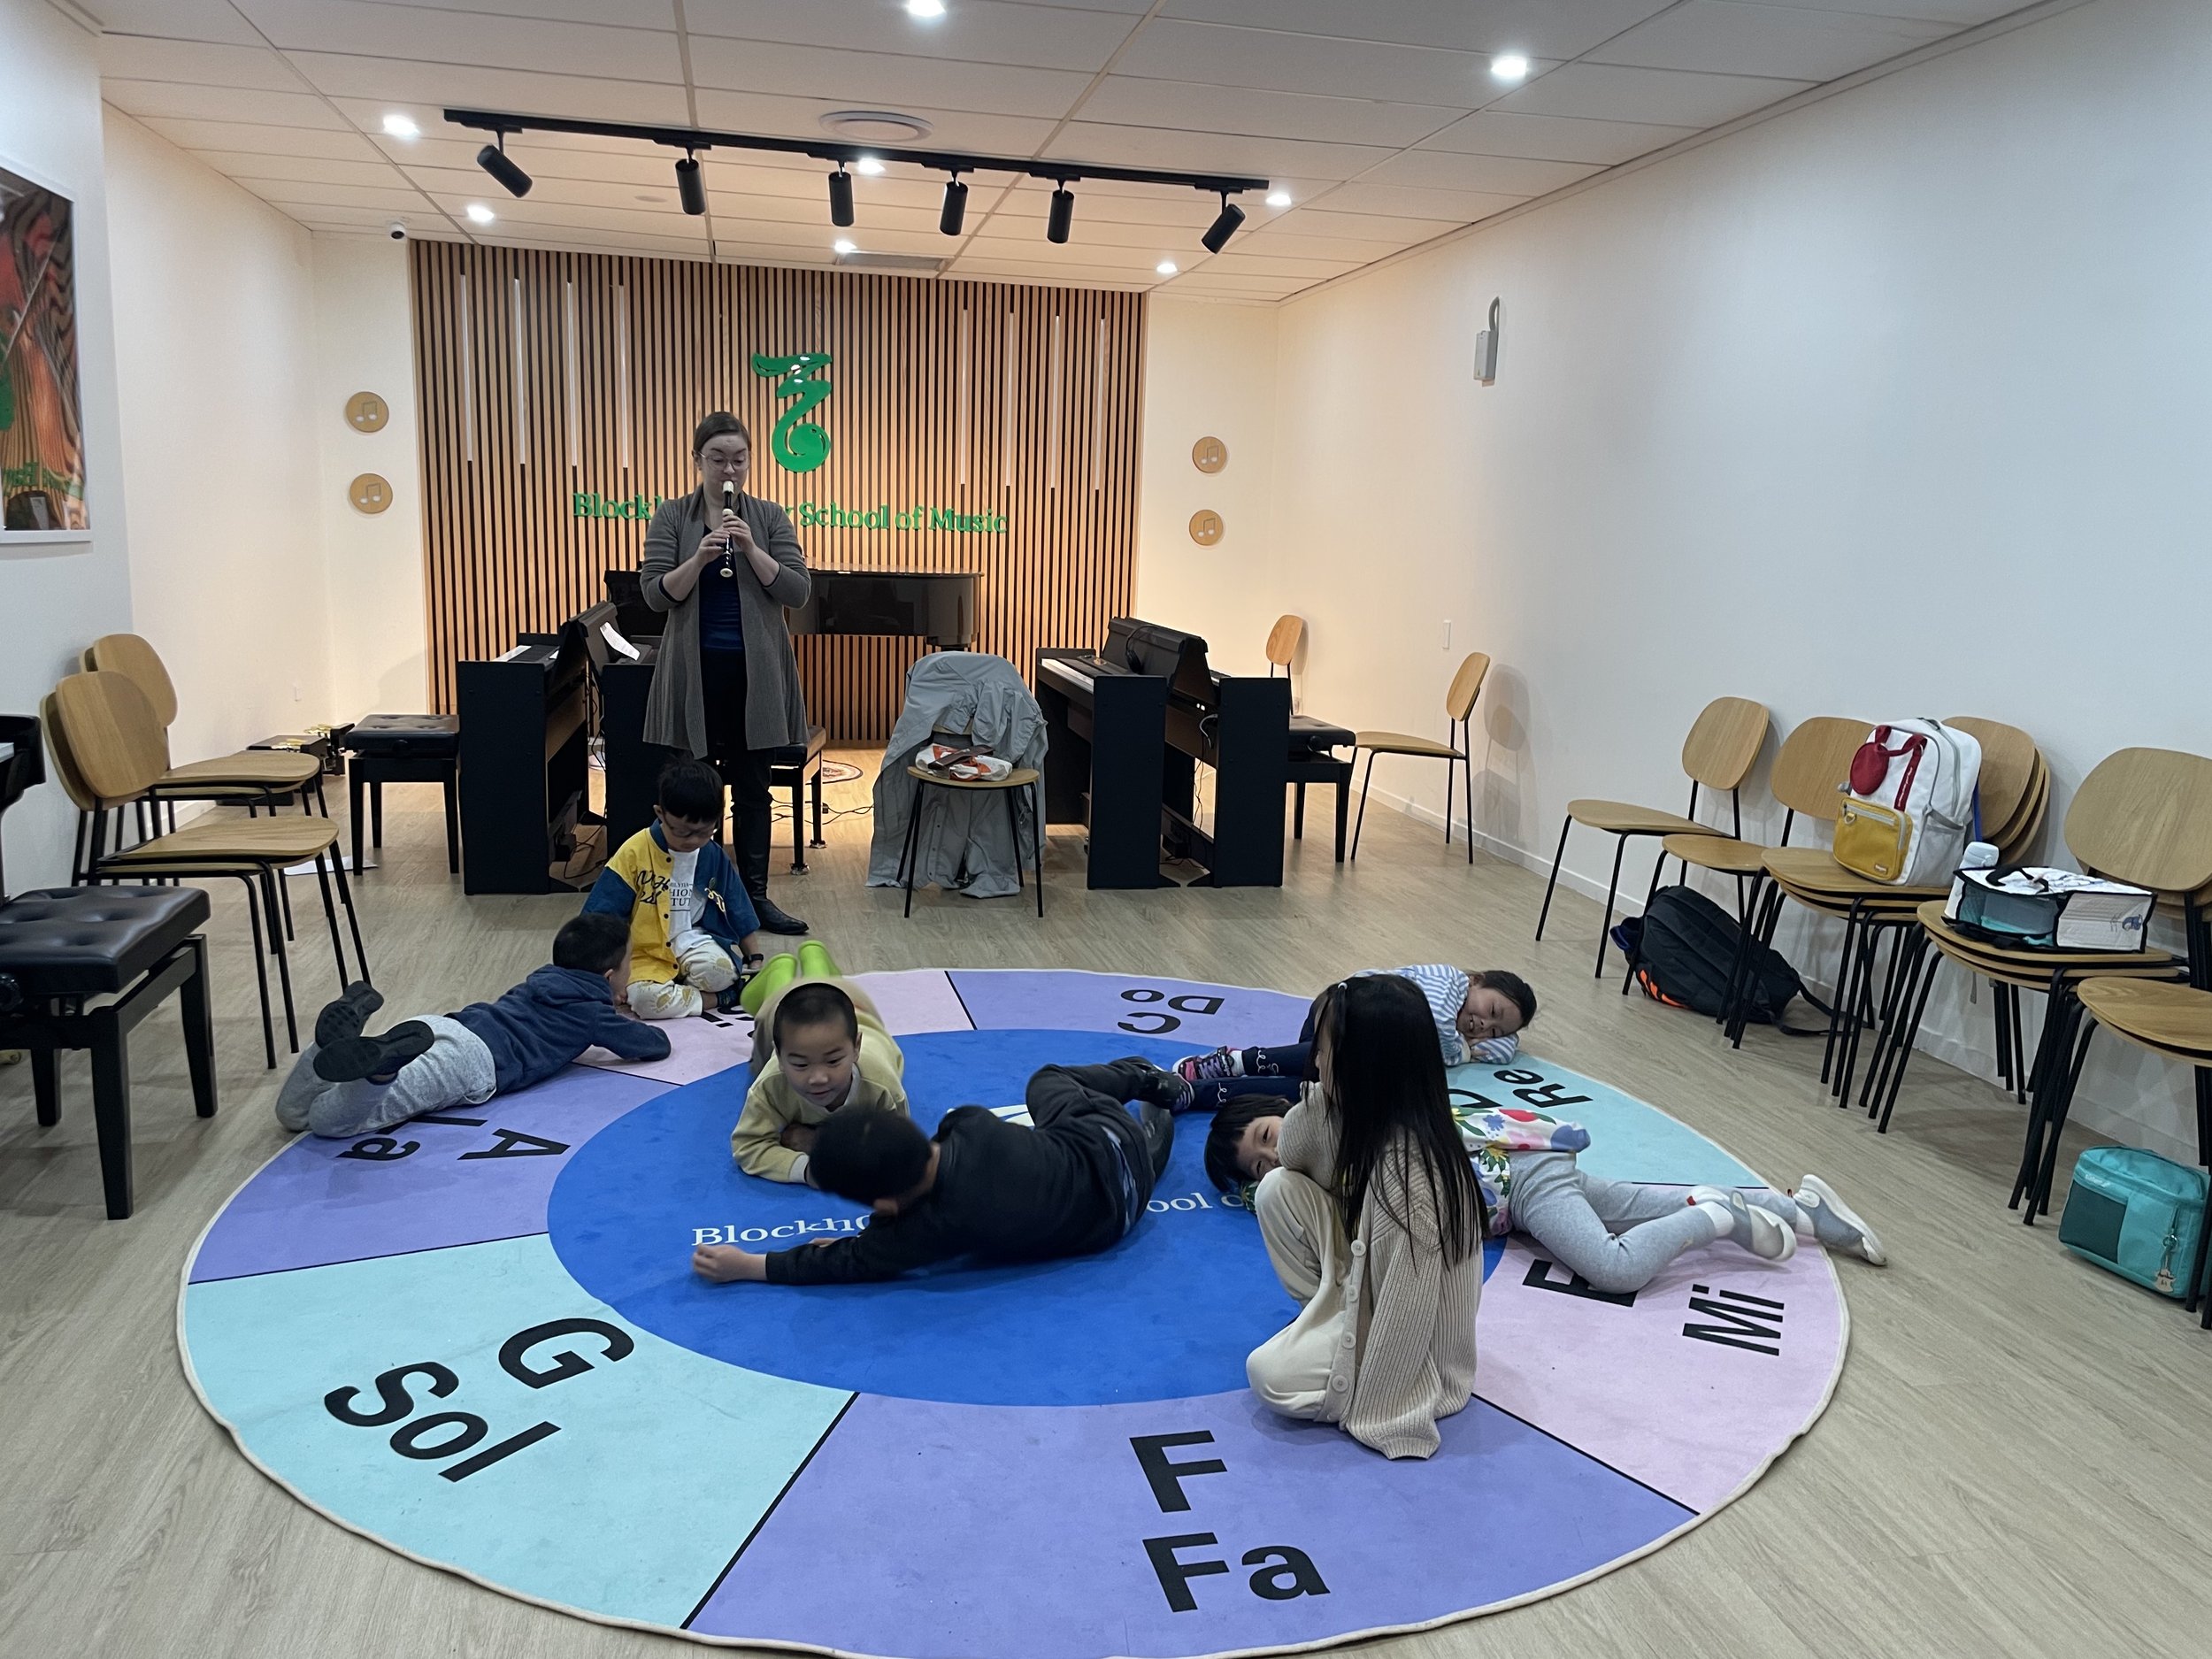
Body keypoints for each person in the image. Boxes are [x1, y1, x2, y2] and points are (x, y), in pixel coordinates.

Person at [1205, 1094, 1887, 1294]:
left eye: (1267, 1135)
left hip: (1518, 1178)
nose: (1273, 1157)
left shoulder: (1339, 1126)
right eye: (1258, 1166)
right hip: (1522, 1174)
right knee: (1641, 1202)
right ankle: (1803, 1208)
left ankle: (1715, 1214)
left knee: (1615, 1266)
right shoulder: (1316, 1185)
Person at [1244, 975, 1490, 1460]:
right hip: (1367, 1279)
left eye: (1325, 1049)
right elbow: (1294, 1154)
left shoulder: (1411, 1173)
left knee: (1269, 1376)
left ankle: (1343, 1348)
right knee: (1276, 1189)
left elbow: (1410, 1306)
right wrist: (1320, 1100)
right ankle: (1330, 1319)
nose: (1314, 1060)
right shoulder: (1357, 1114)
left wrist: (1384, 1407)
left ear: (1363, 1065)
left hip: (1416, 1338)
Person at [690, 1059, 1193, 1286]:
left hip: (1110, 1219)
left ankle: (1146, 1083)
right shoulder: (969, 1123)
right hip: (1109, 1143)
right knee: (1048, 1081)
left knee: (1050, 1092)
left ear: (885, 1206)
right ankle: (1145, 1078)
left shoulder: (929, 1230)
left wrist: (749, 1265)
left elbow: (847, 1263)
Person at [638, 410, 812, 936]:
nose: (729, 469)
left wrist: (753, 549)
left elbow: (797, 592)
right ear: (698, 461)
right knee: (693, 788)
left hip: (754, 676)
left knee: (755, 790)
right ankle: (688, 896)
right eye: (717, 459)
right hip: (694, 676)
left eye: (739, 459)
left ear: (750, 461)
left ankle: (755, 898)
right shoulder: (672, 517)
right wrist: (698, 559)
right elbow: (654, 594)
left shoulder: (769, 516)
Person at [274, 913, 670, 1139]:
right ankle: (381, 1071)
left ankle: (323, 1048)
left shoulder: (542, 978)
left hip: (446, 1026)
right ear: (607, 974)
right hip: (471, 1065)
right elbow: (652, 1045)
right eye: (629, 966)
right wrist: (627, 1011)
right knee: (329, 1125)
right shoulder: (591, 1012)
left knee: (292, 1115)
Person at [1174, 966, 1536, 1109]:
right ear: (1476, 981)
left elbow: (1506, 1050)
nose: (1482, 1026)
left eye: (1495, 1030)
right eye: (1490, 1010)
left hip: (1351, 1052)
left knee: (1318, 1094)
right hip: (1339, 1011)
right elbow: (1439, 1029)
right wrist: (1468, 1051)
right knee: (1333, 1064)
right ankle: (1237, 1062)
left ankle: (1205, 1093)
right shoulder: (1449, 984)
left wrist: (1501, 1039)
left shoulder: (1468, 1023)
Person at [585, 757, 765, 1021]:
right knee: (647, 1002)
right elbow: (601, 917)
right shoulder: (634, 852)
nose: (693, 841)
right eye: (682, 833)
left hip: (692, 941)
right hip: (643, 953)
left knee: (722, 972)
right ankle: (721, 999)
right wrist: (609, 975)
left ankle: (686, 993)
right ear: (660, 814)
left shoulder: (712, 855)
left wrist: (755, 957)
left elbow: (737, 904)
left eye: (705, 832)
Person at [732, 975, 910, 1186]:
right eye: (801, 1065)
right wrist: (807, 1170)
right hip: (783, 1001)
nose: (818, 1078)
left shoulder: (882, 1087)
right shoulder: (770, 1085)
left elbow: (899, 1149)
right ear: (779, 1057)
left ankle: (813, 958)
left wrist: (819, 1143)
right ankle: (781, 970)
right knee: (765, 1019)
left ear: (856, 1049)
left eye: (833, 1061)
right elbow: (748, 1145)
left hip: (860, 1008)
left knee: (821, 976)